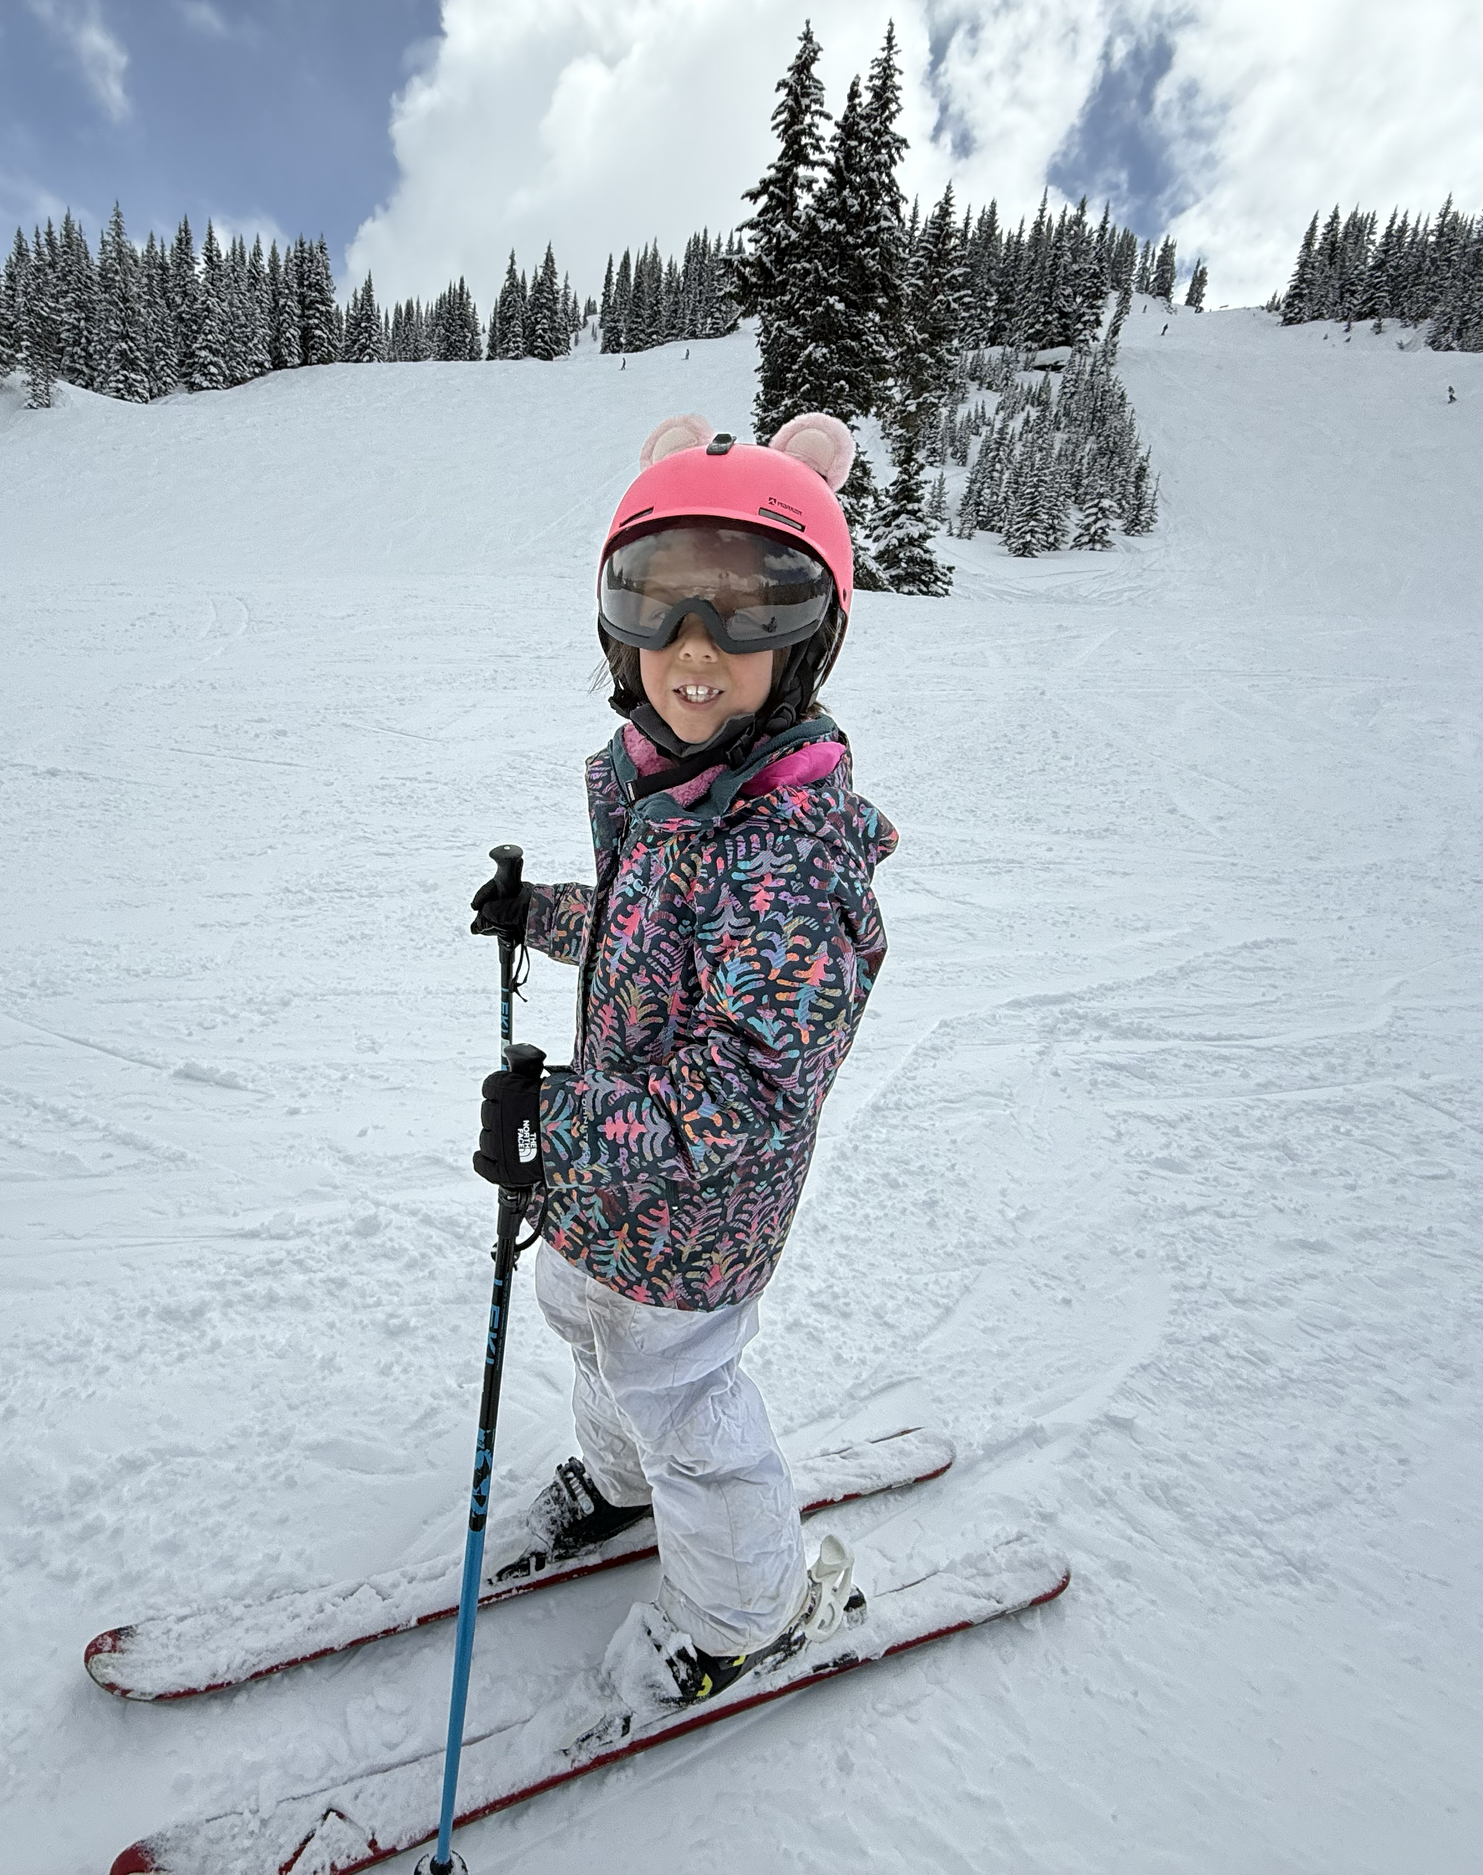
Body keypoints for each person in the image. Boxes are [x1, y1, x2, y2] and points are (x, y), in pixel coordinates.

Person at [467, 410, 893, 1704]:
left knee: (689, 1409)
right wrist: (543, 913)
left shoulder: (787, 854)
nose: (694, 653)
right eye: (661, 608)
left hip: (695, 1229)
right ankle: (615, 1482)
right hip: (608, 1215)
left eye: (746, 616)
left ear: (804, 643)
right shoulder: (672, 796)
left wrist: (563, 1121)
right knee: (596, 1348)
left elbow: (750, 1090)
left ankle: (749, 1605)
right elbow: (652, 945)